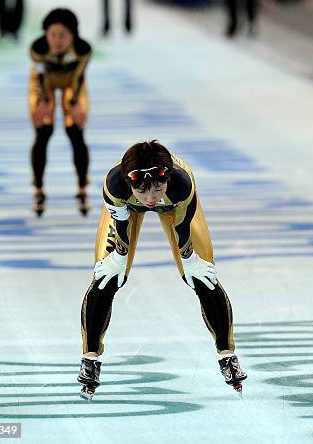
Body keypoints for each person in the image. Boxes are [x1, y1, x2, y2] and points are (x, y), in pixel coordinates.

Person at [77, 140, 247, 400]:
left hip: (177, 209)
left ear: (167, 178)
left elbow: (183, 230)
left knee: (203, 277)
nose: (150, 199)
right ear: (129, 183)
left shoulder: (181, 185)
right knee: (106, 278)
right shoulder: (115, 185)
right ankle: (90, 357)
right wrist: (119, 256)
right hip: (125, 209)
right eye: (143, 192)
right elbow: (120, 226)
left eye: (157, 189)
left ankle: (227, 354)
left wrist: (190, 260)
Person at [28, 8, 92, 217]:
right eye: (52, 35)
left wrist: (73, 105)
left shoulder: (83, 50)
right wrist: (45, 102)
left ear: (73, 36)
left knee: (75, 131)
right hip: (44, 83)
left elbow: (78, 78)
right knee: (43, 131)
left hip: (71, 83)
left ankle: (82, 188)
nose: (56, 41)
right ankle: (38, 189)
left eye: (62, 35)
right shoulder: (37, 49)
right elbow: (41, 78)